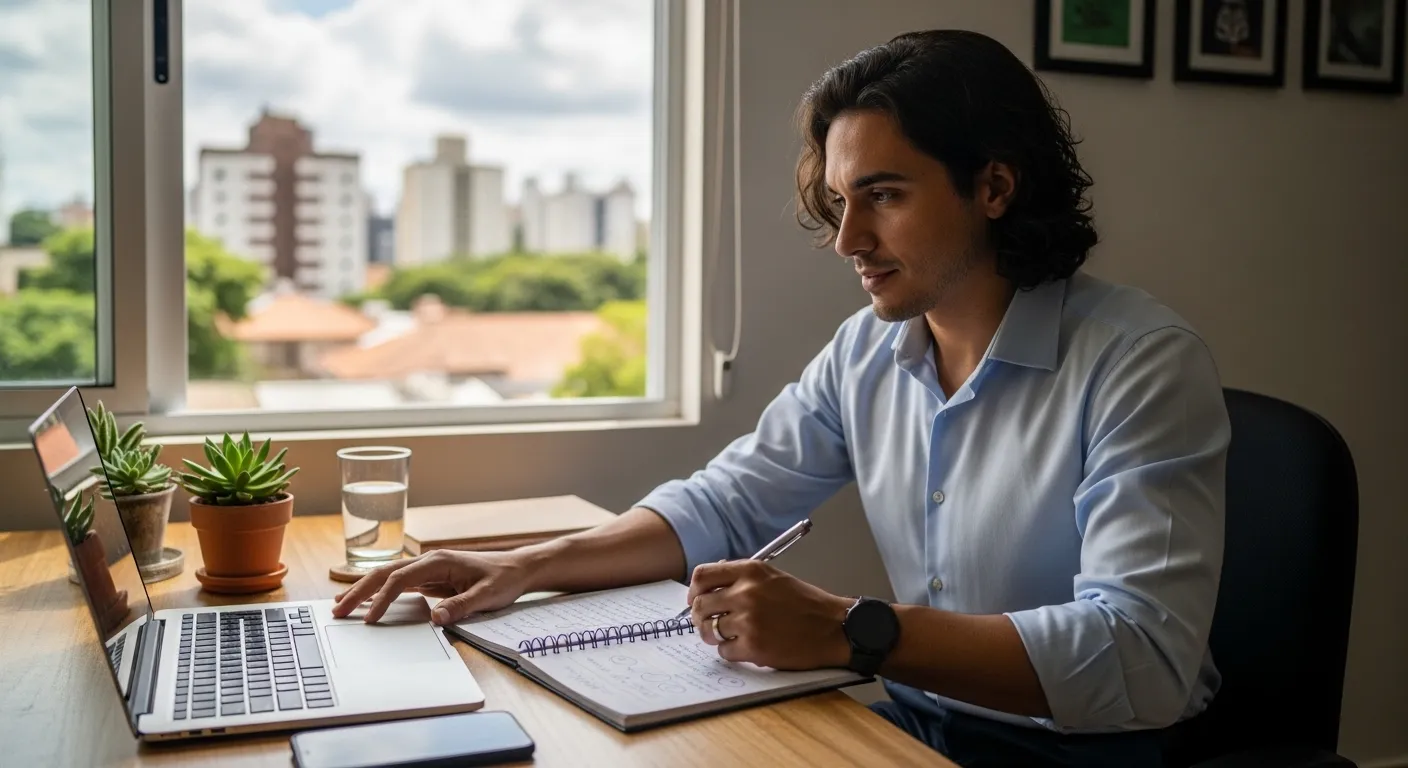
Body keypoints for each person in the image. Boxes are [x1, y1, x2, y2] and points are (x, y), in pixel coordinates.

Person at [332, 29, 1229, 768]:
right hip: (916, 727)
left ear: (994, 186)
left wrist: (850, 631)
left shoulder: (1139, 362)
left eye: (882, 195)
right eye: (840, 201)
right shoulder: (870, 349)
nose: (847, 239)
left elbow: (1140, 659)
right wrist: (525, 565)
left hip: (1099, 752)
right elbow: (726, 504)